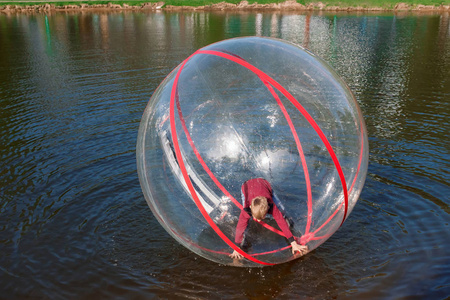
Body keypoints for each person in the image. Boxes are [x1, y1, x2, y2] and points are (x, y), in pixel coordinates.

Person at [230, 178, 308, 260]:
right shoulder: (247, 209)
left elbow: (281, 222)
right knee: (245, 221)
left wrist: (293, 243)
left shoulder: (272, 207)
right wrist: (236, 247)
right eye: (256, 217)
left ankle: (288, 219)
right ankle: (243, 240)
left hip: (264, 184)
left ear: (267, 211)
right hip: (246, 186)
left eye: (260, 218)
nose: (258, 221)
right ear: (250, 208)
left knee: (281, 210)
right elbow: (239, 227)